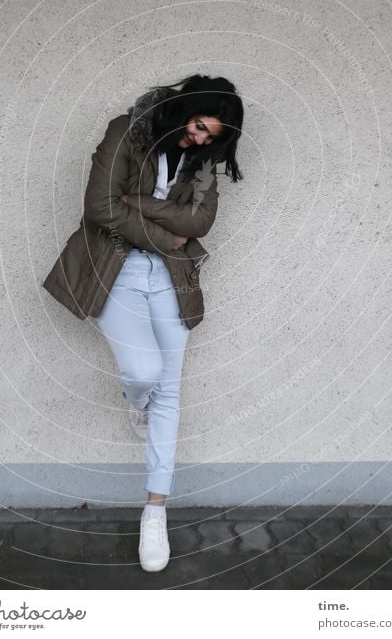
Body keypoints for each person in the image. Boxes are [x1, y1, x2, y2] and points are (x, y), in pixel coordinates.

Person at [42, 73, 244, 572]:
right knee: (144, 375)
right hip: (115, 271)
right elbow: (97, 207)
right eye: (198, 126)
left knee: (170, 389)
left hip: (172, 278)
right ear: (182, 109)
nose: (200, 140)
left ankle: (155, 511)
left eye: (211, 137)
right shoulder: (126, 132)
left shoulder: (201, 164)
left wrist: (136, 204)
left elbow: (197, 225)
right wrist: (161, 231)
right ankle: (138, 404)